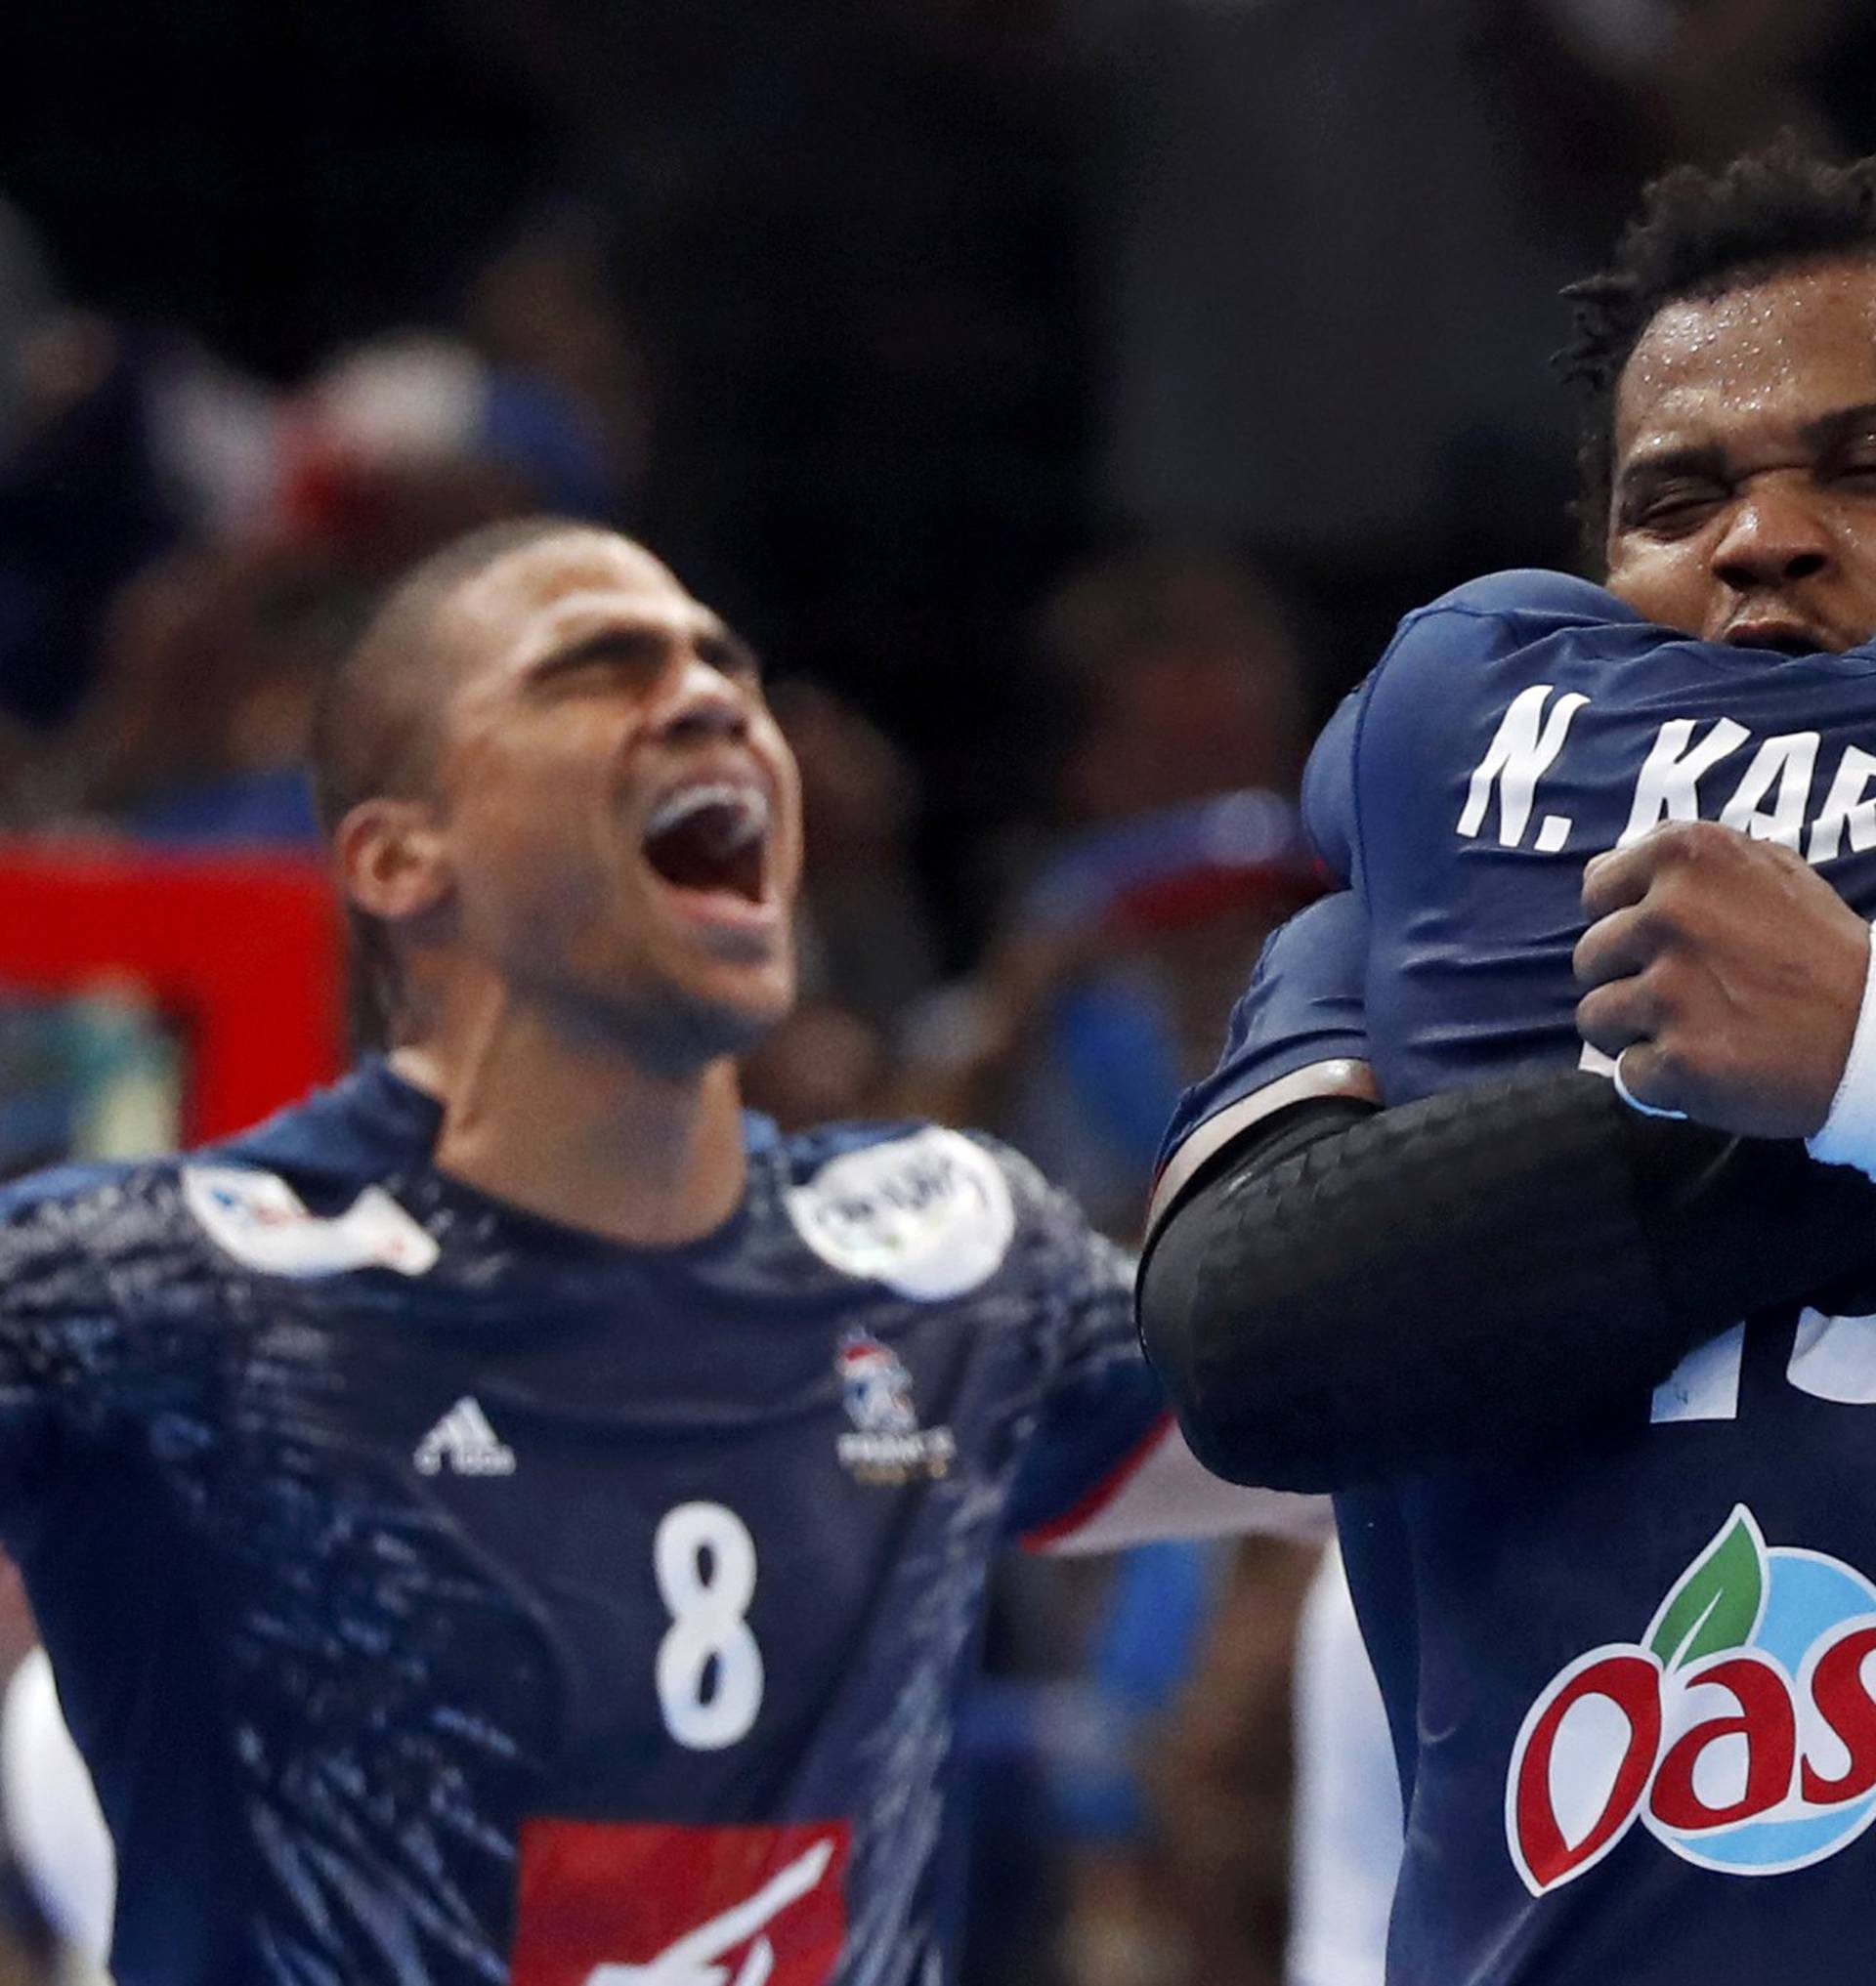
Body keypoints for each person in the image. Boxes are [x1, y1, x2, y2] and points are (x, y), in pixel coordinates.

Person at [0, 517, 1320, 1984]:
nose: (711, 701)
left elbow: (1409, 1432)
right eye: (595, 668)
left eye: (725, 668)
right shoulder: (158, 1291)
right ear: (396, 852)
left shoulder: (951, 1270)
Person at [1139, 145, 1876, 1980]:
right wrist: (1804, 1102)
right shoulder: (1402, 920)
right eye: (1676, 496)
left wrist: (1858, 1048)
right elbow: (1259, 1335)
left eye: (1869, 468)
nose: (1765, 536)